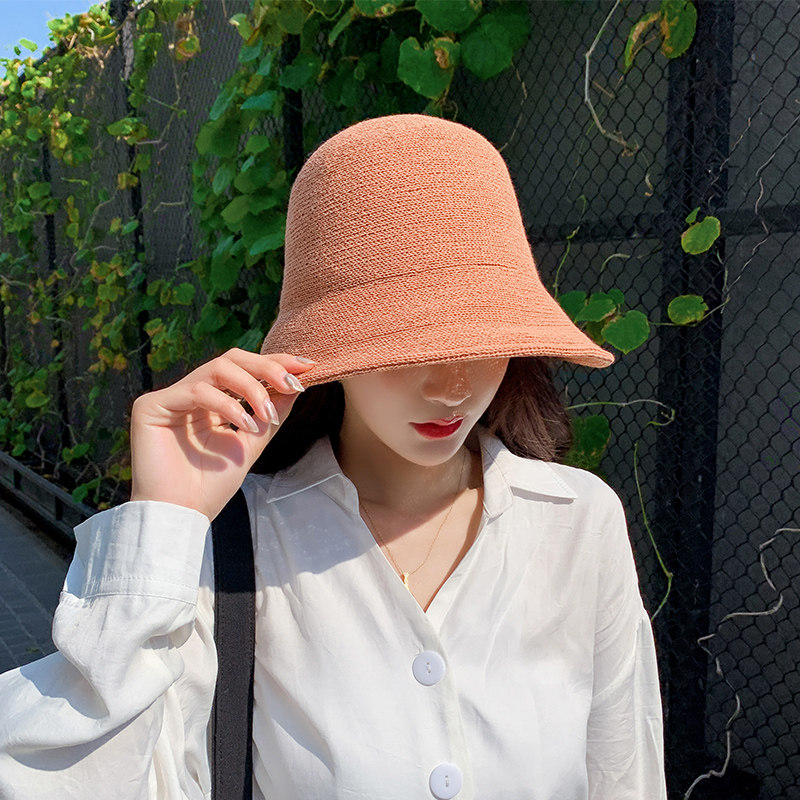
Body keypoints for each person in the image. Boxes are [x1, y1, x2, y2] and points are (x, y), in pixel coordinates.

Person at [0, 114, 666, 799]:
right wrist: (162, 522)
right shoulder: (231, 547)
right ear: (329, 349)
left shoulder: (578, 522)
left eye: (482, 337)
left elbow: (627, 774)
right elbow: (72, 778)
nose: (451, 386)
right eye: (403, 344)